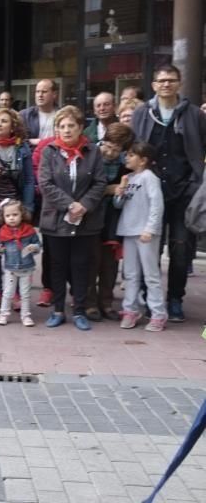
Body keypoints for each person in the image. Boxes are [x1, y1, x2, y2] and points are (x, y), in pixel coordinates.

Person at [131, 64, 206, 322]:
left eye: (171, 80)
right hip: (150, 191)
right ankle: (145, 296)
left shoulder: (195, 115)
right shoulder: (141, 113)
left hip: (184, 191)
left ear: (179, 83)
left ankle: (175, 299)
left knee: (181, 247)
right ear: (154, 85)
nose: (166, 84)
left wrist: (198, 181)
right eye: (161, 80)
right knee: (147, 245)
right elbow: (132, 147)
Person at [38, 105, 106, 331]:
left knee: (81, 265)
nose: (66, 130)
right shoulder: (49, 151)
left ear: (80, 128)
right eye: (61, 126)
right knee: (57, 265)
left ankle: (78, 310)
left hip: (86, 220)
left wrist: (84, 205)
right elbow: (45, 183)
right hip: (56, 219)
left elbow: (99, 182)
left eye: (71, 126)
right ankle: (58, 310)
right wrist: (69, 204)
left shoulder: (93, 151)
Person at [0, 108, 35, 311]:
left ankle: (17, 294)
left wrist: (28, 207)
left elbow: (29, 180)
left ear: (13, 126)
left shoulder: (22, 149)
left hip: (15, 207)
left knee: (18, 250)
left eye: (4, 121)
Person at [85, 122, 134, 321]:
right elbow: (83, 186)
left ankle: (106, 301)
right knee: (90, 261)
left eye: (116, 149)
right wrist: (109, 189)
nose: (110, 152)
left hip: (113, 218)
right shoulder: (90, 156)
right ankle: (88, 302)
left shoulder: (125, 164)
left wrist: (119, 190)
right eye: (107, 145)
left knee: (110, 263)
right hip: (91, 217)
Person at [114, 142, 166, 332]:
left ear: (143, 160)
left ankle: (158, 313)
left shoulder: (149, 178)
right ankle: (130, 309)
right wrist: (120, 191)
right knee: (130, 274)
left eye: (131, 155)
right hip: (129, 230)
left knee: (150, 274)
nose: (126, 158)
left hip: (145, 233)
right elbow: (119, 205)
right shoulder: (129, 178)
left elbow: (156, 204)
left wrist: (150, 228)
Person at [0, 199, 41, 326]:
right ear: (3, 217)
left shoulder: (29, 230)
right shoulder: (3, 231)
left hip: (26, 267)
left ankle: (25, 316)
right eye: (8, 216)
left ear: (22, 214)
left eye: (15, 215)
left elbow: (38, 244)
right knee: (7, 293)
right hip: (10, 268)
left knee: (25, 294)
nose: (11, 218)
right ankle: (3, 315)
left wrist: (34, 247)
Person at [20, 79, 59, 146]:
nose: (40, 95)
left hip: (56, 154)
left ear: (54, 94)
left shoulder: (62, 115)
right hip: (32, 154)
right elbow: (17, 140)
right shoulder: (25, 115)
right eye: (37, 92)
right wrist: (30, 141)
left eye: (44, 92)